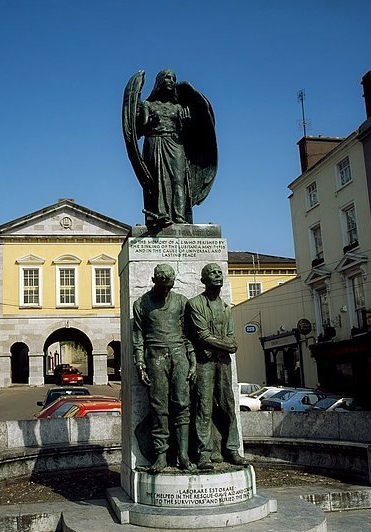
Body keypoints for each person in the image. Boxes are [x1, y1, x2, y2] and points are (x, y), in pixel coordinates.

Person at [122, 69, 217, 230]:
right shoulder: (147, 104)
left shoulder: (179, 108)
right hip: (155, 142)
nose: (171, 80)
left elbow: (189, 133)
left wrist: (186, 123)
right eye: (167, 77)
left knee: (179, 180)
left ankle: (179, 217)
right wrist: (146, 120)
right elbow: (139, 130)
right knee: (157, 179)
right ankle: (159, 215)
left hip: (176, 143)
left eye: (173, 78)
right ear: (160, 81)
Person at [132, 264, 196, 473]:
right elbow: (138, 338)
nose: (166, 291)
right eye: (162, 287)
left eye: (169, 287)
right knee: (159, 407)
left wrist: (192, 360)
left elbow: (188, 334)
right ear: (154, 280)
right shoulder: (141, 304)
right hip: (155, 356)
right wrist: (140, 364)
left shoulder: (181, 302)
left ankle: (184, 455)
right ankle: (161, 455)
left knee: (182, 405)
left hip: (179, 355)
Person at [186, 263, 249, 471]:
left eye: (219, 272)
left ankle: (232, 449)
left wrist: (226, 344)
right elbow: (202, 336)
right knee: (204, 407)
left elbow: (232, 338)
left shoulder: (225, 308)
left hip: (223, 363)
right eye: (212, 273)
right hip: (204, 363)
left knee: (228, 405)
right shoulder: (195, 304)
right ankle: (203, 453)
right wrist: (226, 345)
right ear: (203, 280)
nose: (217, 275)